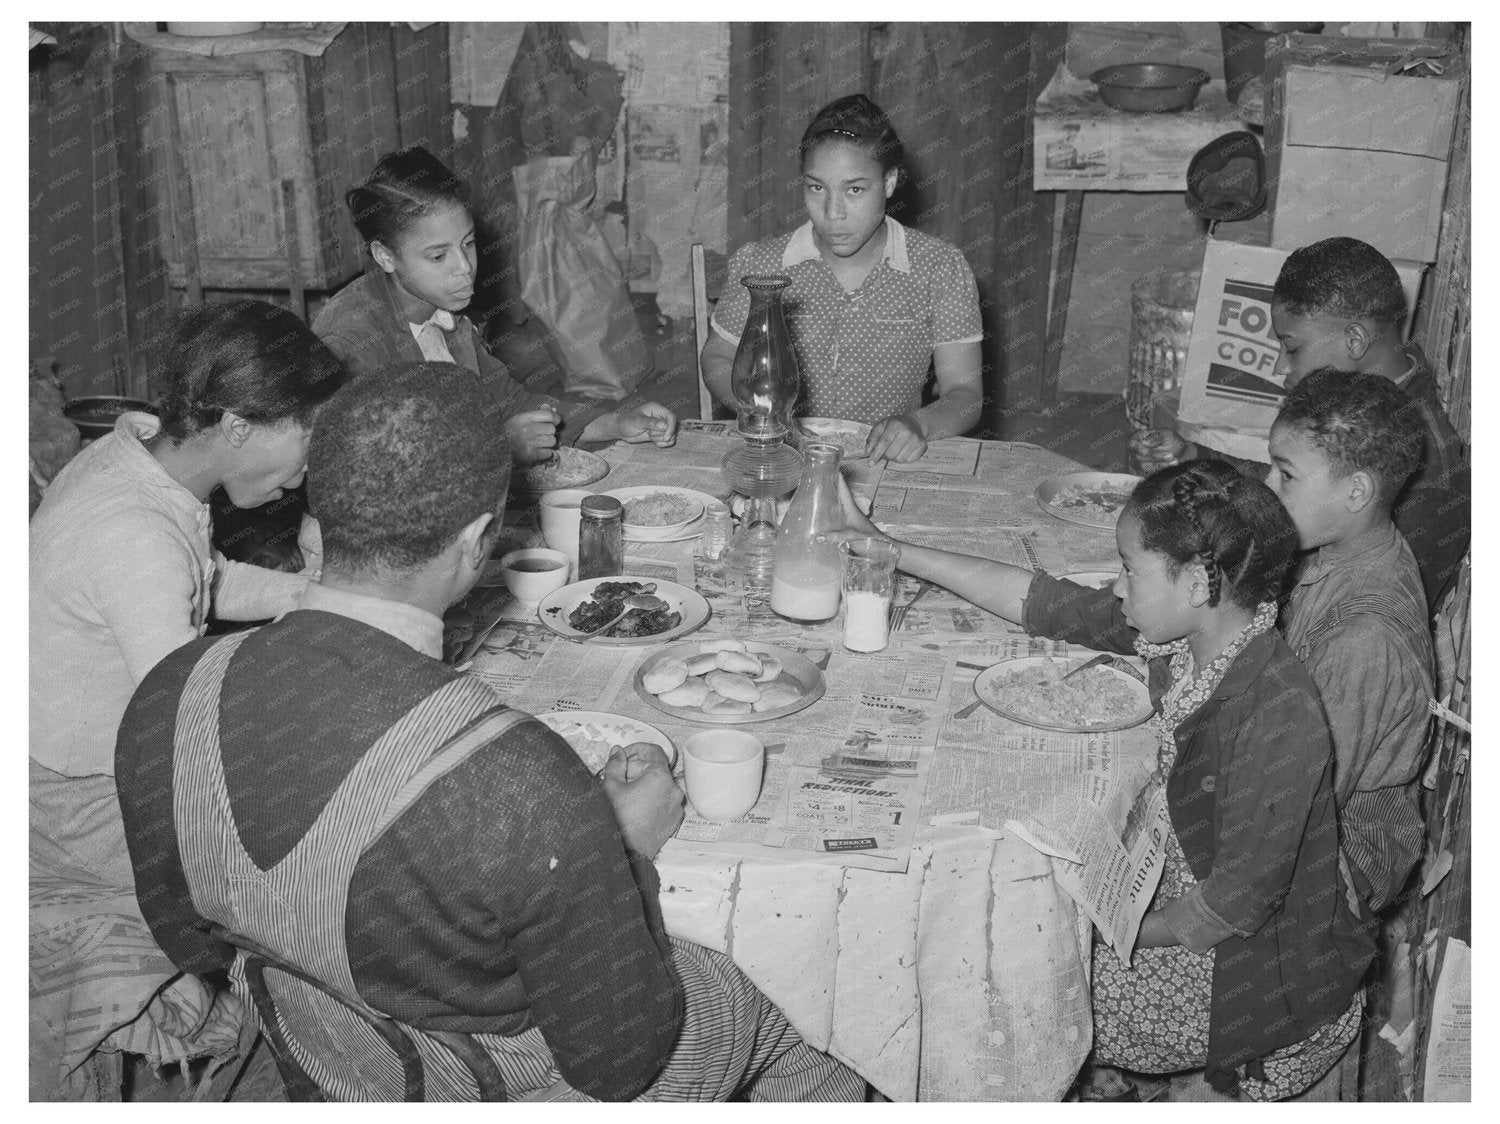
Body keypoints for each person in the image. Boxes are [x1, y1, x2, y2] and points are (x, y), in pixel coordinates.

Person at [114, 361, 863, 1103]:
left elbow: (188, 938)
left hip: (327, 1058)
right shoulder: (517, 778)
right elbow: (619, 1064)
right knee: (762, 1004)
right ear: (479, 539)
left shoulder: (172, 690)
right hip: (493, 1085)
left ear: (322, 514)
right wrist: (623, 847)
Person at [836, 461, 1372, 1099]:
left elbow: (1236, 905)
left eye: (1128, 569)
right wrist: (889, 549)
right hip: (1187, 896)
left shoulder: (1275, 713)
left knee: (999, 979)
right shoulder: (1195, 633)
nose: (1116, 589)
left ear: (1198, 582)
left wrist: (1092, 929)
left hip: (1251, 983)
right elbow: (1045, 603)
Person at [30, 298, 346, 1095]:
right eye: (303, 440)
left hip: (86, 751)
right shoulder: (129, 532)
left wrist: (310, 594)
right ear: (238, 424)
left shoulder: (140, 458)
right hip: (75, 800)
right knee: (305, 873)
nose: (305, 471)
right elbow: (189, 718)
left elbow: (201, 578)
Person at [313, 146, 678, 466]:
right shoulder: (351, 340)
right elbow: (368, 470)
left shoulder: (443, 315)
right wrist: (495, 448)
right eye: (439, 256)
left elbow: (507, 400)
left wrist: (614, 423)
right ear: (385, 256)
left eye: (468, 243)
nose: (465, 267)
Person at [701, 94, 983, 464]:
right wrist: (760, 412)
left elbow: (965, 393)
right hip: (777, 454)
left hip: (884, 461)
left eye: (855, 189)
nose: (833, 213)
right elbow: (718, 356)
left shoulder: (938, 267)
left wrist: (918, 424)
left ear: (889, 182)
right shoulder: (764, 263)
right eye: (817, 188)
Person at [1266, 369, 1434, 916]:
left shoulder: (1363, 640)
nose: (1270, 487)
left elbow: (1303, 809)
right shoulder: (1346, 541)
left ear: (1356, 491)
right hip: (1303, 779)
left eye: (1285, 475)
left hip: (1343, 852)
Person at [1270, 236, 1469, 613]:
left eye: (1292, 348)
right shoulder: (1354, 405)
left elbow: (1374, 613)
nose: (1279, 368)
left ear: (1356, 340)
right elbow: (1302, 479)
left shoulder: (1428, 478)